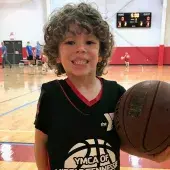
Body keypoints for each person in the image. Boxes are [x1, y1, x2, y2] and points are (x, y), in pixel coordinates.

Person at [34, 3, 170, 170]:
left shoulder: (117, 93)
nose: (81, 49)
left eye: (90, 42)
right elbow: (41, 142)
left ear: (101, 54)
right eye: (70, 42)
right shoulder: (51, 94)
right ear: (56, 54)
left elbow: (122, 140)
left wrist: (151, 155)